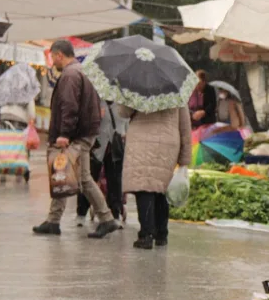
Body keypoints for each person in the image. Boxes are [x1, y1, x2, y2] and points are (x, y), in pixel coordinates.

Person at [32, 40, 119, 238]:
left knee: (80, 179)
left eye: (53, 57)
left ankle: (106, 219)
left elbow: (69, 107)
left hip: (75, 136)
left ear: (60, 55)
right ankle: (53, 221)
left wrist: (64, 134)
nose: (53, 62)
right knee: (62, 174)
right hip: (83, 134)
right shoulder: (81, 71)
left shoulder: (70, 75)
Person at [119, 104, 192, 249]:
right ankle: (161, 234)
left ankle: (146, 235)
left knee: (144, 186)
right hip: (168, 141)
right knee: (161, 186)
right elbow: (185, 125)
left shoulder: (136, 88)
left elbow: (124, 113)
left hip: (140, 141)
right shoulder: (177, 89)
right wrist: (184, 159)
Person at [76, 101, 127, 227]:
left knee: (115, 180)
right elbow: (83, 117)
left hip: (115, 143)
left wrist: (126, 132)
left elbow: (127, 119)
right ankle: (81, 213)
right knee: (88, 177)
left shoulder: (123, 99)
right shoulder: (95, 97)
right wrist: (95, 115)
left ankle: (115, 214)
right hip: (97, 143)